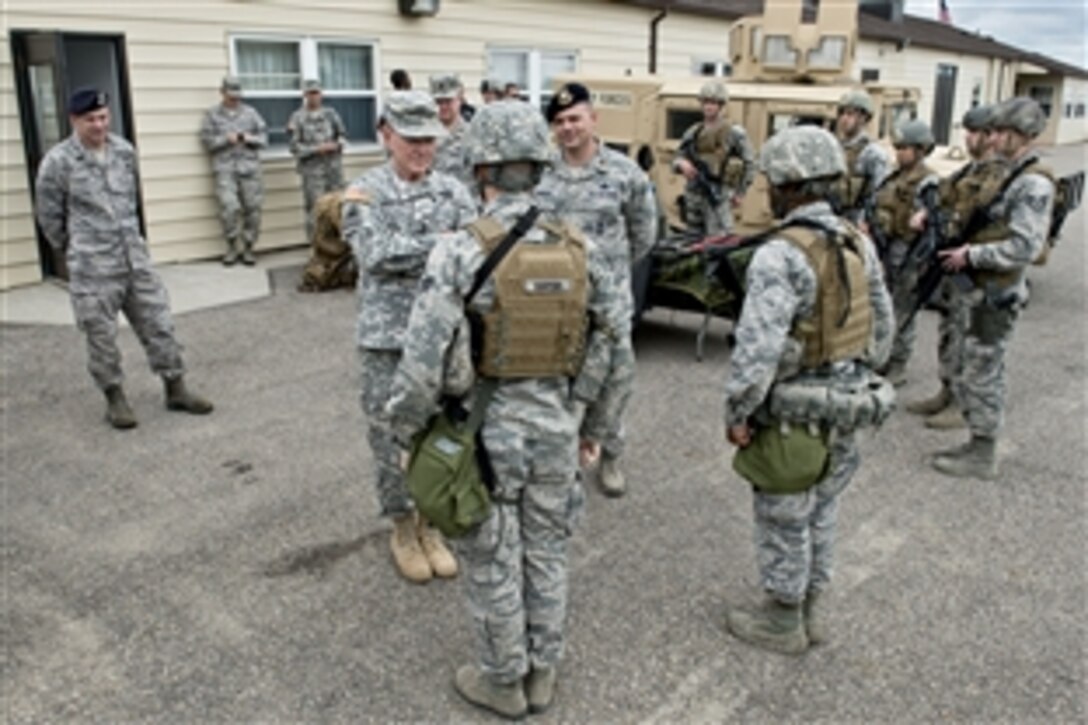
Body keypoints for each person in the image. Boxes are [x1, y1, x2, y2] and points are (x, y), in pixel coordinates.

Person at [386, 100, 633, 719]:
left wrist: (407, 430)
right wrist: (593, 425)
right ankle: (542, 673)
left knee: (493, 560)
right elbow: (616, 347)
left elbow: (420, 362)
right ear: (541, 166)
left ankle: (504, 682)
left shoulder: (459, 252)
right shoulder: (581, 249)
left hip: (483, 434)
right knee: (547, 552)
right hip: (556, 429)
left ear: (481, 170)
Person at [722, 126, 894, 654]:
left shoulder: (780, 255)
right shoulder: (855, 240)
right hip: (849, 406)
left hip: (794, 410)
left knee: (784, 514)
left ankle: (782, 619)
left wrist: (738, 411)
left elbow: (757, 352)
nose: (767, 189)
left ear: (791, 185)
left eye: (772, 181)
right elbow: (882, 328)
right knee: (823, 509)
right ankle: (812, 610)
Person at [341, 91, 477, 583]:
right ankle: (401, 526)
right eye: (411, 138)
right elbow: (375, 253)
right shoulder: (364, 191)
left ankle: (430, 520)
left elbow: (476, 249)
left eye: (429, 139)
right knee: (390, 434)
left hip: (443, 338)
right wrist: (442, 246)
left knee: (441, 429)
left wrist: (438, 250)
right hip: (387, 339)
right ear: (386, 134)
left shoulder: (454, 191)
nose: (422, 148)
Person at [35, 89, 214, 429]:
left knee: (159, 322)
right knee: (100, 335)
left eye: (103, 117)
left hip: (135, 259)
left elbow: (130, 202)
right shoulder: (58, 161)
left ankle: (175, 387)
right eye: (90, 120)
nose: (99, 125)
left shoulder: (123, 151)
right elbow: (49, 218)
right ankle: (115, 398)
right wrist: (80, 248)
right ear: (74, 120)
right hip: (92, 267)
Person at [537, 81, 657, 497]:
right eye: (559, 121)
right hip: (555, 305)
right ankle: (562, 459)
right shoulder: (542, 173)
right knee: (558, 385)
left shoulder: (625, 173)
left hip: (608, 306)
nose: (567, 127)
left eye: (574, 118)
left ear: (593, 119)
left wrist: (610, 274)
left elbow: (644, 234)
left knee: (613, 385)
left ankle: (610, 457)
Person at [930, 97, 1053, 480]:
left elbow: (1025, 247)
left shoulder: (1032, 182)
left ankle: (983, 453)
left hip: (996, 294)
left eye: (1003, 132)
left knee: (985, 372)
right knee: (972, 366)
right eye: (994, 131)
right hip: (979, 291)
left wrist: (974, 255)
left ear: (1025, 135)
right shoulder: (1007, 172)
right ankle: (975, 440)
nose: (995, 139)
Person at [905, 105, 1007, 429]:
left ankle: (963, 403)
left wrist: (974, 252)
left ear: (991, 136)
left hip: (979, 271)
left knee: (969, 335)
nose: (968, 137)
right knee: (950, 330)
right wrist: (925, 211)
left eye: (974, 132)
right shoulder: (969, 172)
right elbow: (939, 191)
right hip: (953, 262)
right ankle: (947, 390)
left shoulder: (1001, 175)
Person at [867, 119, 939, 386]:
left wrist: (921, 257)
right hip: (887, 251)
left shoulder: (927, 182)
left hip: (909, 254)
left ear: (921, 149)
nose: (899, 152)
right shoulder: (894, 177)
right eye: (897, 147)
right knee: (883, 308)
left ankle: (898, 364)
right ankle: (883, 356)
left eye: (905, 147)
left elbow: (934, 221)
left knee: (903, 312)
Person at [199, 76, 267, 266]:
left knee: (253, 209)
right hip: (225, 170)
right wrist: (224, 139)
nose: (235, 100)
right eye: (231, 96)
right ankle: (231, 246)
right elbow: (206, 141)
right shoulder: (212, 115)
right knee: (229, 208)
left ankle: (248, 248)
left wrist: (248, 138)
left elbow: (264, 139)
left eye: (237, 97)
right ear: (222, 93)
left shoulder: (251, 114)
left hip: (249, 169)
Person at [671, 81, 755, 235]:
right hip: (694, 195)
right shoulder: (694, 132)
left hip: (719, 195)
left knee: (719, 241)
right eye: (705, 102)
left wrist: (740, 193)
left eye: (713, 103)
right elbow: (676, 158)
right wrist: (682, 163)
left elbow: (750, 163)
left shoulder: (734, 133)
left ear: (721, 105)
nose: (708, 107)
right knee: (693, 241)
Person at [288, 79, 347, 244]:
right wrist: (317, 149)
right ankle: (317, 249)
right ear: (305, 95)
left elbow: (342, 135)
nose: (314, 96)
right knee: (316, 210)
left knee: (337, 207)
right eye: (310, 93)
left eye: (317, 93)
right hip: (312, 173)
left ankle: (337, 247)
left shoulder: (331, 114)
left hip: (333, 170)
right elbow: (294, 148)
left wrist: (338, 144)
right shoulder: (298, 118)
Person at [833, 90, 892, 224]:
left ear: (863, 118)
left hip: (857, 221)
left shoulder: (873, 153)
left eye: (850, 114)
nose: (844, 119)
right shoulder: (835, 147)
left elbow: (880, 194)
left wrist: (866, 221)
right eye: (841, 113)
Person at [430, 74, 473, 187]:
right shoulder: (423, 136)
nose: (443, 106)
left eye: (448, 101)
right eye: (438, 102)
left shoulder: (473, 135)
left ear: (460, 100)